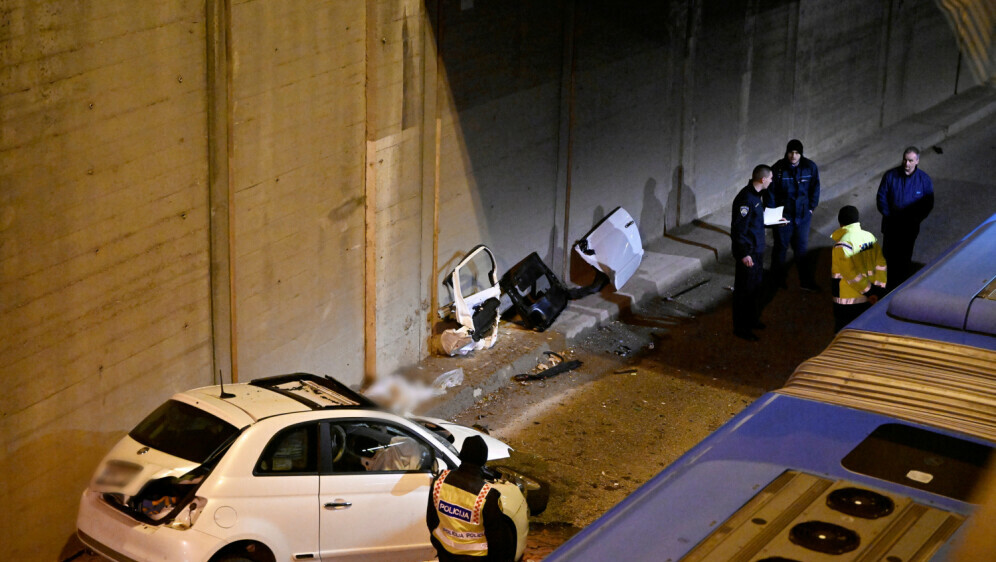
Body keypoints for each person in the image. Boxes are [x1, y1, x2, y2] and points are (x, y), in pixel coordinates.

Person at [427, 435, 515, 561]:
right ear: (483, 460)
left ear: (462, 454)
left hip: (445, 554)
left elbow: (431, 520)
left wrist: (441, 546)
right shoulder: (486, 495)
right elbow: (497, 540)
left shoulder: (439, 481)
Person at [767, 139, 821, 291]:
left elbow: (815, 188)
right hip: (784, 216)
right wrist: (774, 218)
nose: (793, 156)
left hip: (803, 216)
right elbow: (770, 195)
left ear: (801, 154)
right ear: (787, 152)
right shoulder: (778, 169)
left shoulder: (810, 168)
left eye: (797, 153)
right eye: (791, 152)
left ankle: (805, 281)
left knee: (801, 249)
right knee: (780, 248)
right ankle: (776, 281)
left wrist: (811, 208)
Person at [876, 146, 933, 291]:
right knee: (888, 257)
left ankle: (900, 287)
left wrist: (915, 219)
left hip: (909, 229)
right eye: (905, 160)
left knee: (904, 258)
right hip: (891, 227)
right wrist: (889, 216)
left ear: (917, 161)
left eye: (910, 160)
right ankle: (885, 287)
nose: (906, 164)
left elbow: (927, 203)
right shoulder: (890, 176)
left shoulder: (924, 180)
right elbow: (881, 197)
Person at [731, 164, 772, 341]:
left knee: (755, 289)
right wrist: (744, 254)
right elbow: (739, 230)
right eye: (770, 178)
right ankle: (741, 327)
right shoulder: (746, 200)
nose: (771, 181)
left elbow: (754, 223)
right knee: (744, 292)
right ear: (763, 180)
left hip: (757, 251)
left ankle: (751, 320)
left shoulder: (755, 196)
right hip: (749, 254)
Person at [831, 206, 887, 332]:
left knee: (842, 334)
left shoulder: (842, 244)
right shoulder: (870, 237)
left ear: (840, 223)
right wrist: (878, 291)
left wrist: (869, 291)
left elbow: (851, 274)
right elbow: (881, 265)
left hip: (847, 303)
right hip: (869, 301)